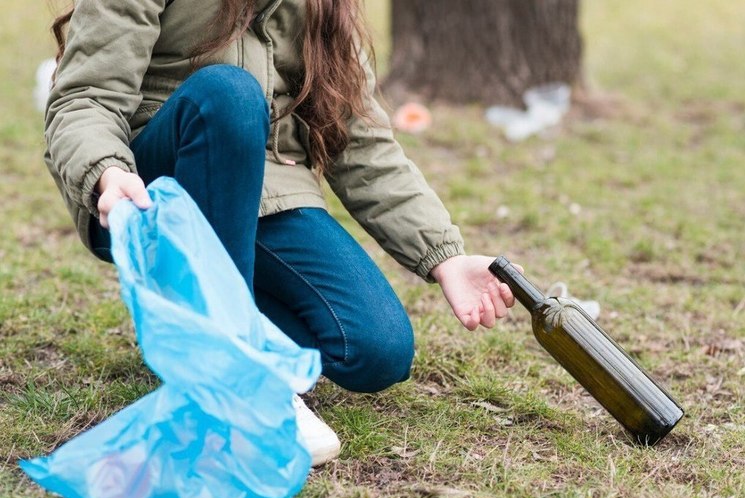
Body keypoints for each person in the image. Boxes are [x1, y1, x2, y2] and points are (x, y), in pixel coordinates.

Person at [45, 0, 518, 467]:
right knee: (229, 93)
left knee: (378, 349)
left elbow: (361, 139)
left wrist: (444, 256)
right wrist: (105, 170)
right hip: (147, 187)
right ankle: (241, 375)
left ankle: (190, 314)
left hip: (269, 187)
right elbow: (86, 96)